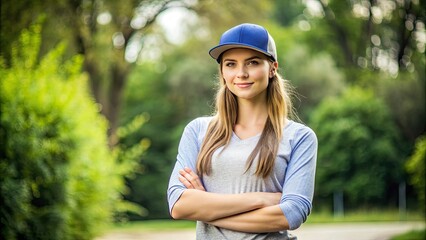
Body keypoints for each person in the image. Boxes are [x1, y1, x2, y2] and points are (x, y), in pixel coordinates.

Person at [167, 23, 317, 240]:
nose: (241, 73)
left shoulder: (299, 137)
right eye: (230, 64)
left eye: (253, 63)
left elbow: (291, 214)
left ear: (273, 68)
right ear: (222, 71)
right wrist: (261, 199)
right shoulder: (197, 130)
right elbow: (179, 205)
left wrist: (205, 208)